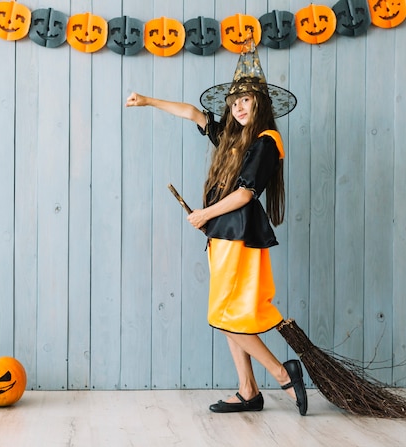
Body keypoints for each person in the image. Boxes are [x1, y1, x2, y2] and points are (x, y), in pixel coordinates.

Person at [125, 41, 307, 415]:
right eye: (234, 101)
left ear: (261, 103)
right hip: (223, 238)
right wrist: (148, 101)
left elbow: (244, 194)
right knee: (228, 312)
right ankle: (248, 390)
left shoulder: (266, 141)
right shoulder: (232, 137)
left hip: (237, 235)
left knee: (224, 315)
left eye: (246, 100)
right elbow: (193, 112)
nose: (239, 106)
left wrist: (205, 215)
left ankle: (281, 373)